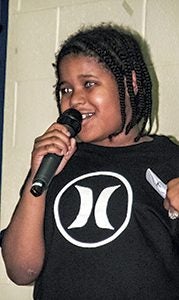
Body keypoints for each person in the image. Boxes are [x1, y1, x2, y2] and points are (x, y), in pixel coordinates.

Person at [1, 23, 179, 299]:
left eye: (89, 84)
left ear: (130, 83)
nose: (74, 100)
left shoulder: (168, 158)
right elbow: (20, 270)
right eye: (65, 89)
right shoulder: (56, 160)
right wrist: (38, 178)